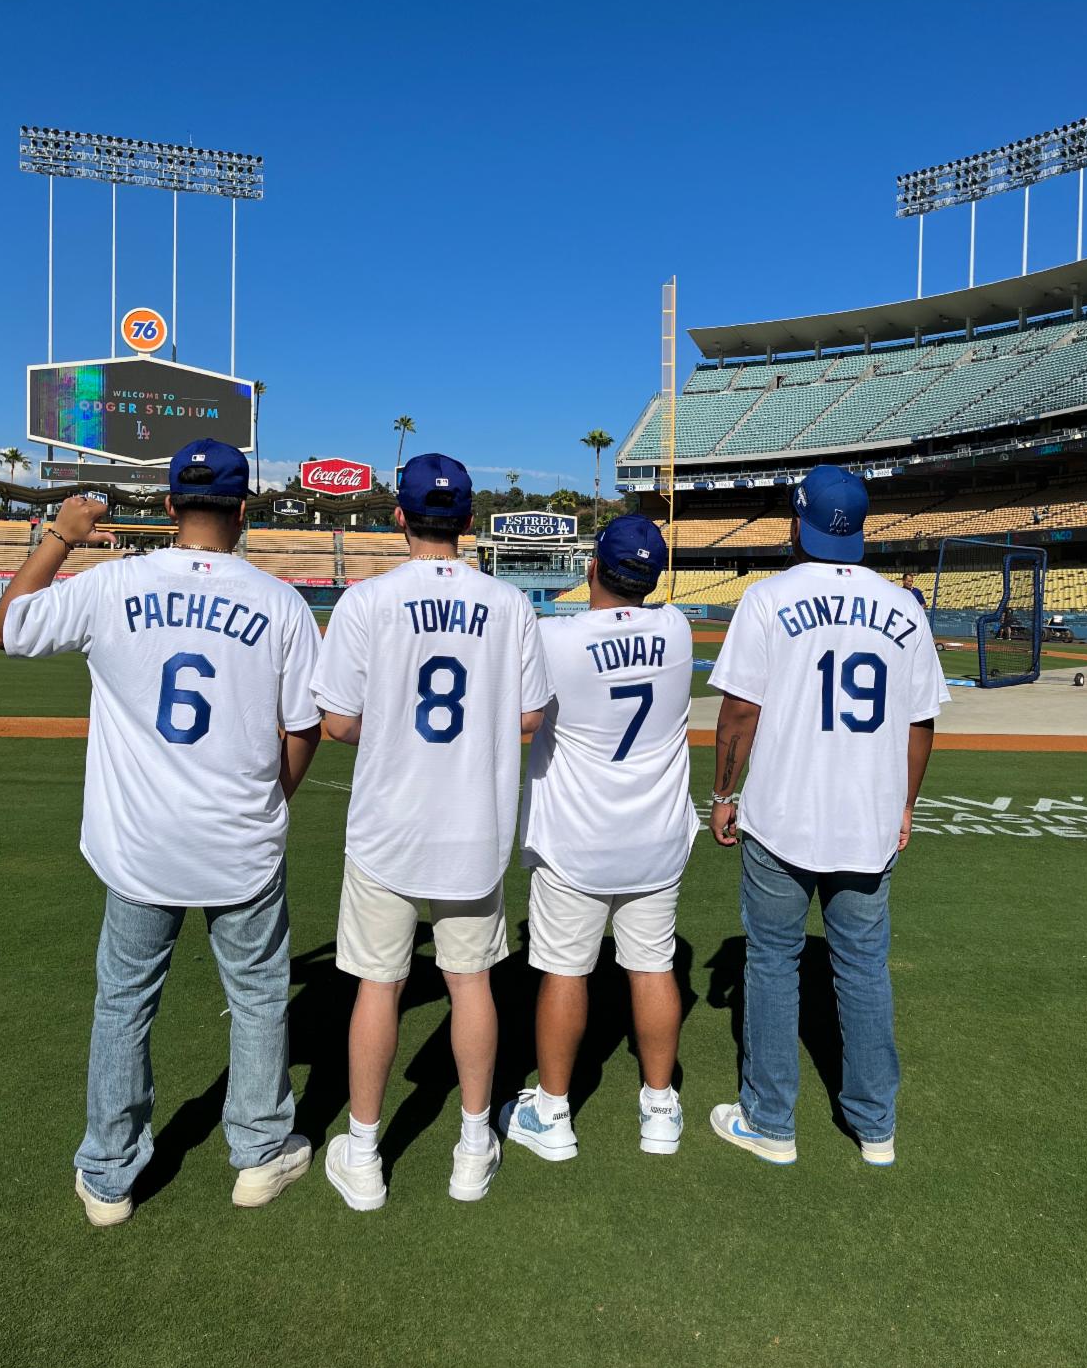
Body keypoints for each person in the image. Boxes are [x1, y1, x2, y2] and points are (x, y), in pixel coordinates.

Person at [0, 439, 323, 1225]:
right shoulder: (280, 603)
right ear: (244, 509)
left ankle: (108, 1176)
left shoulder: (112, 584)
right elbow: (303, 727)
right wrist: (276, 796)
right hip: (240, 841)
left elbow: (5, 629)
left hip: (138, 844)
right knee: (260, 999)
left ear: (171, 507)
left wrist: (62, 534)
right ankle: (259, 1154)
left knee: (125, 1005)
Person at [312, 453, 551, 1209]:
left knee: (379, 987)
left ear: (400, 517)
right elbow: (529, 717)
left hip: (388, 824)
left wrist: (391, 734)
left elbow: (337, 721)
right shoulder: (510, 605)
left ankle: (364, 1153)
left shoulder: (366, 602)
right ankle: (475, 1146)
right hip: (472, 826)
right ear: (470, 524)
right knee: (471, 983)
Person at [706, 465, 948, 1167]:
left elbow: (740, 712)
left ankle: (771, 1123)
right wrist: (904, 804)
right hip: (868, 820)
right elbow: (921, 722)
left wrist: (724, 794)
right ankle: (876, 1128)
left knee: (774, 962)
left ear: (798, 522)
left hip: (782, 815)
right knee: (864, 968)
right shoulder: (904, 609)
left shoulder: (767, 599)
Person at [502, 515, 698, 1160]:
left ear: (592, 568)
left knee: (564, 971)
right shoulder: (675, 629)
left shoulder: (554, 638)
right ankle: (660, 1109)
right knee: (652, 965)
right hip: (657, 834)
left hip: (578, 838)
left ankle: (553, 1114)